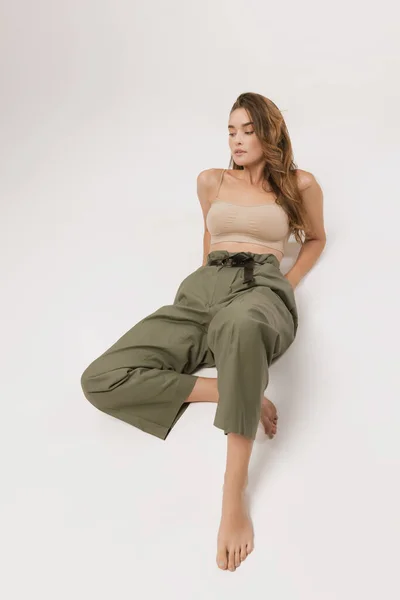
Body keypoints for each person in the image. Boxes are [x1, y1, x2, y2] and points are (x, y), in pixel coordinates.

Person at [80, 92, 327, 572]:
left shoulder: (301, 183)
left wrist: (286, 285)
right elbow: (210, 236)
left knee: (239, 324)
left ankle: (233, 494)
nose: (236, 140)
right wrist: (204, 287)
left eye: (247, 130)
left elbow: (315, 238)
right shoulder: (210, 180)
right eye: (231, 131)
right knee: (101, 377)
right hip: (201, 290)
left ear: (269, 132)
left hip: (260, 285)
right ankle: (236, 389)